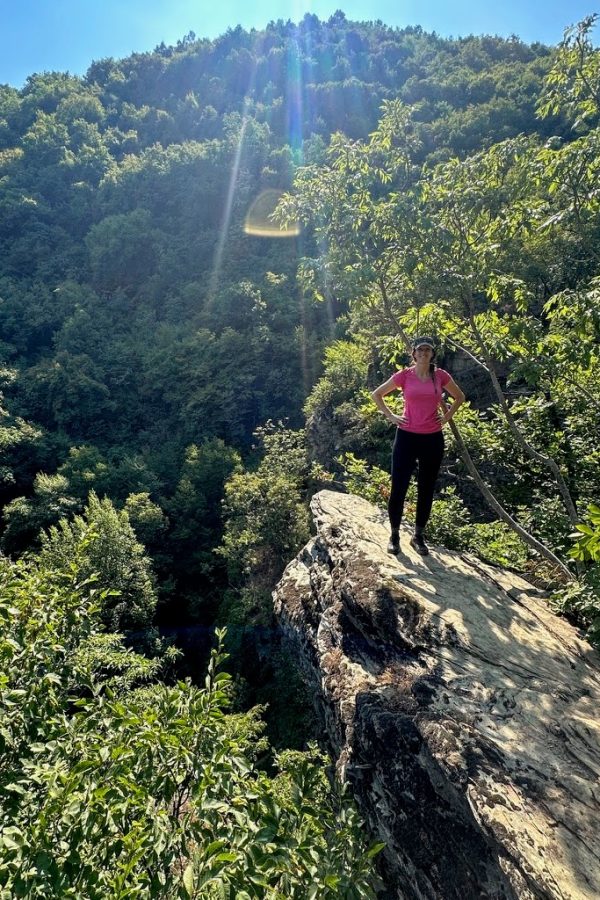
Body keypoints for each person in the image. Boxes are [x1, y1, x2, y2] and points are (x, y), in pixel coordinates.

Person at [371, 336, 465, 556]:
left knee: (426, 488)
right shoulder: (405, 375)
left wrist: (447, 415)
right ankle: (394, 535)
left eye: (427, 350)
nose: (423, 353)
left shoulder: (440, 376)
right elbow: (377, 394)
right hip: (406, 437)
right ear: (413, 353)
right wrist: (391, 416)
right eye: (420, 350)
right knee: (399, 487)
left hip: (432, 439)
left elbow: (459, 397)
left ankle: (418, 536)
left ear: (432, 354)